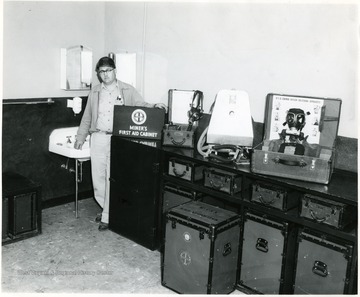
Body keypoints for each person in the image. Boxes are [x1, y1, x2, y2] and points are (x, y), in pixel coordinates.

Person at [74, 56, 166, 231]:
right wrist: (80, 137)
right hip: (99, 137)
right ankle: (108, 209)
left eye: (108, 70)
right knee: (98, 179)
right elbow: (87, 117)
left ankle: (108, 216)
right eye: (101, 72)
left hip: (118, 139)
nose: (105, 75)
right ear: (98, 74)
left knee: (112, 177)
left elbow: (141, 105)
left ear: (115, 70)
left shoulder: (127, 90)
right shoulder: (94, 91)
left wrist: (155, 105)